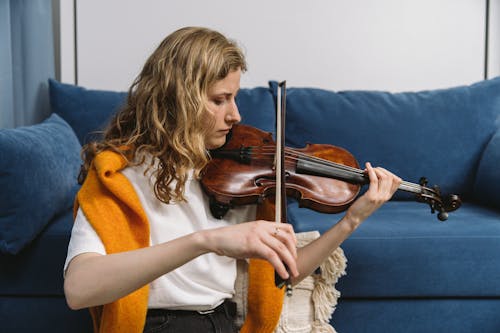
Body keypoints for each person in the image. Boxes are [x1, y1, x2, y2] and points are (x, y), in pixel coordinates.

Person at [63, 26, 402, 333]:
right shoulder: (120, 174)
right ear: (177, 98)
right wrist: (207, 240)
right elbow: (79, 290)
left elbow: (286, 272)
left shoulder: (237, 178)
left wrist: (351, 221)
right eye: (219, 100)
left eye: (234, 97)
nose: (235, 115)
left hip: (225, 323)